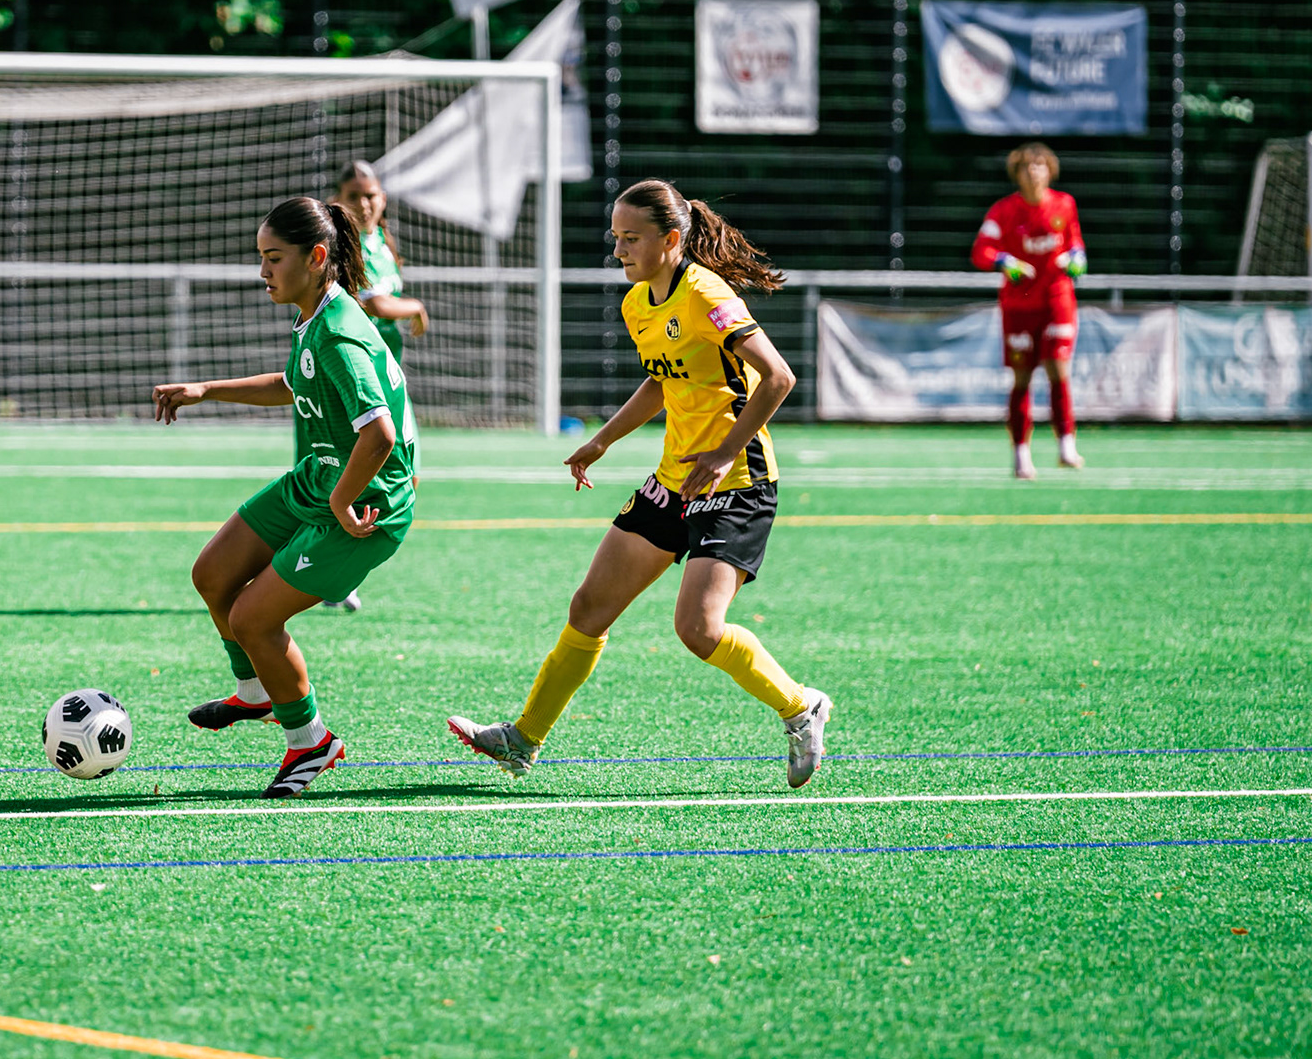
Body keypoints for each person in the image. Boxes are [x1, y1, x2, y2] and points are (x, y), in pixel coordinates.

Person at [447, 180, 833, 790]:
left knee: (698, 630)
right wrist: (604, 439)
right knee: (589, 607)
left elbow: (778, 378)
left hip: (738, 482)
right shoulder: (637, 304)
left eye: (631, 238)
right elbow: (661, 381)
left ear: (671, 239)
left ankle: (800, 706)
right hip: (674, 479)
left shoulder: (708, 294)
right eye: (616, 238)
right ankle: (523, 741)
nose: (619, 249)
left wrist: (726, 448)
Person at [153, 197, 418, 798]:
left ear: (316, 257)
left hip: (364, 503)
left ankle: (311, 742)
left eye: (273, 258)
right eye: (261, 258)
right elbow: (292, 382)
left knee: (253, 616)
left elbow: (376, 435)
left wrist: (343, 502)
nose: (263, 271)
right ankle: (255, 696)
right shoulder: (315, 315)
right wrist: (207, 390)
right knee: (214, 574)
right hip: (318, 479)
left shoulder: (340, 334)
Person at [321, 160, 428, 612]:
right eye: (354, 196)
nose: (364, 203)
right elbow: (378, 304)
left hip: (388, 379)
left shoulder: (382, 241)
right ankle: (328, 572)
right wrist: (416, 307)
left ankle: (333, 572)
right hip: (355, 380)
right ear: (338, 201)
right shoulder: (346, 248)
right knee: (351, 477)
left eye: (372, 195)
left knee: (404, 476)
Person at [970, 142, 1088, 479]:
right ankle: (1021, 455)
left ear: (1050, 170)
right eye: (1026, 167)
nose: (1033, 172)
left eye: (1039, 166)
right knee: (1022, 379)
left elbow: (1076, 242)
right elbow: (981, 251)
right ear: (1016, 174)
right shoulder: (1004, 211)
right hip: (1019, 305)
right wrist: (1004, 261)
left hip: (1057, 300)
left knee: (1058, 369)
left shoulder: (1065, 205)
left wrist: (1077, 258)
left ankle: (1067, 445)